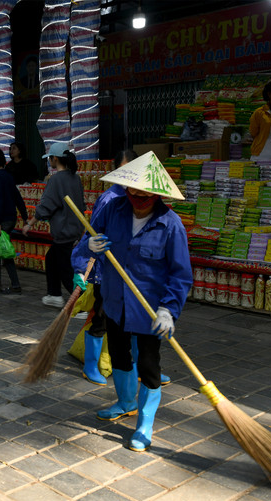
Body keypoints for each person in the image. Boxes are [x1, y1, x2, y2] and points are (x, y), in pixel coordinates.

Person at [86, 152, 192, 452]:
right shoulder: (113, 210)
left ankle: (145, 423)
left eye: (145, 196)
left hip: (150, 309)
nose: (138, 200)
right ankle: (124, 402)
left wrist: (168, 310)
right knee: (119, 355)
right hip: (116, 301)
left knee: (148, 364)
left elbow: (180, 274)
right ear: (127, 190)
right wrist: (90, 246)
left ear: (157, 195)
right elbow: (87, 242)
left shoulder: (170, 225)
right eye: (133, 193)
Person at [71, 149, 166, 387]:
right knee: (101, 320)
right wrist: (84, 268)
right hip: (108, 276)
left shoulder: (153, 204)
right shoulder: (110, 200)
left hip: (135, 279)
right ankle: (91, 366)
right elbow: (89, 239)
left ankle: (141, 368)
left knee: (137, 324)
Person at [21, 142, 85, 307]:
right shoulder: (75, 177)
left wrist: (30, 224)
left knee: (66, 270)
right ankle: (54, 294)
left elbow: (46, 207)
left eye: (49, 158)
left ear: (55, 159)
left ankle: (82, 303)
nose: (49, 161)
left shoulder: (55, 179)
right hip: (75, 229)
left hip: (64, 231)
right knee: (51, 259)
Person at [0, 149, 28, 294]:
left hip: (3, 219)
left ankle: (16, 285)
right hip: (11, 217)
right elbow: (17, 197)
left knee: (5, 250)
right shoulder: (8, 176)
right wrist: (24, 215)